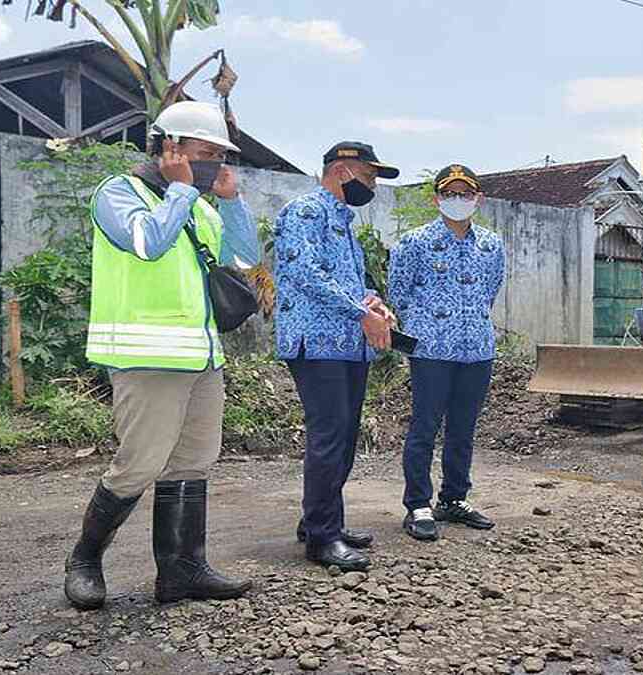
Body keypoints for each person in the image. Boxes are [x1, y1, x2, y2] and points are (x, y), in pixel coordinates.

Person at [64, 101, 260, 610]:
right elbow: (147, 243)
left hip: (201, 357)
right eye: (205, 153)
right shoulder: (118, 192)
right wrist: (180, 190)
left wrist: (230, 201)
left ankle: (181, 571)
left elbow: (245, 258)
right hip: (146, 356)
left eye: (220, 155)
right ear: (168, 148)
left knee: (192, 462)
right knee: (139, 464)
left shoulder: (197, 204)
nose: (214, 163)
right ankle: (85, 558)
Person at [276, 142, 398, 571]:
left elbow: (351, 281)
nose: (372, 186)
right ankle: (322, 539)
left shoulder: (343, 222)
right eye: (369, 177)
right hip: (317, 342)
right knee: (329, 437)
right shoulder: (306, 211)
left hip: (348, 343)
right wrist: (360, 312)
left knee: (343, 436)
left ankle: (321, 521)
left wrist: (375, 303)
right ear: (343, 170)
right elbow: (305, 273)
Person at [388, 164, 505, 541]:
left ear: (478, 199)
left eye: (465, 193)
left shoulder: (492, 244)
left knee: (463, 429)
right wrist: (430, 327)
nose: (458, 200)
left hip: (477, 350)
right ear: (437, 199)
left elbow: (490, 291)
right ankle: (418, 504)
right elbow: (399, 294)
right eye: (450, 193)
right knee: (425, 426)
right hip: (432, 350)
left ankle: (454, 499)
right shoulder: (414, 243)